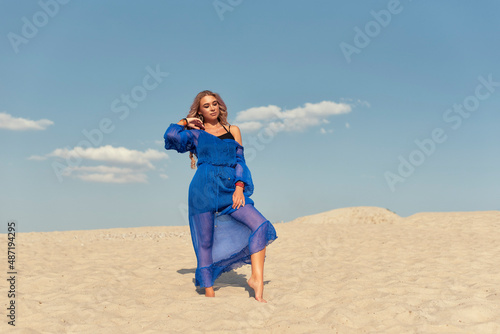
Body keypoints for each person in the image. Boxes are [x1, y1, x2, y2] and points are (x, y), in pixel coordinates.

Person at [163, 90, 277, 302]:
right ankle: (209, 291)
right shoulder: (195, 133)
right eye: (206, 106)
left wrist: (240, 187)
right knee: (206, 241)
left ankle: (256, 279)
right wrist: (186, 121)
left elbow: (240, 161)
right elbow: (171, 137)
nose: (212, 108)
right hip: (203, 190)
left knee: (260, 225)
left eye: (215, 103)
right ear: (199, 111)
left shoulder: (232, 129)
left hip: (229, 189)